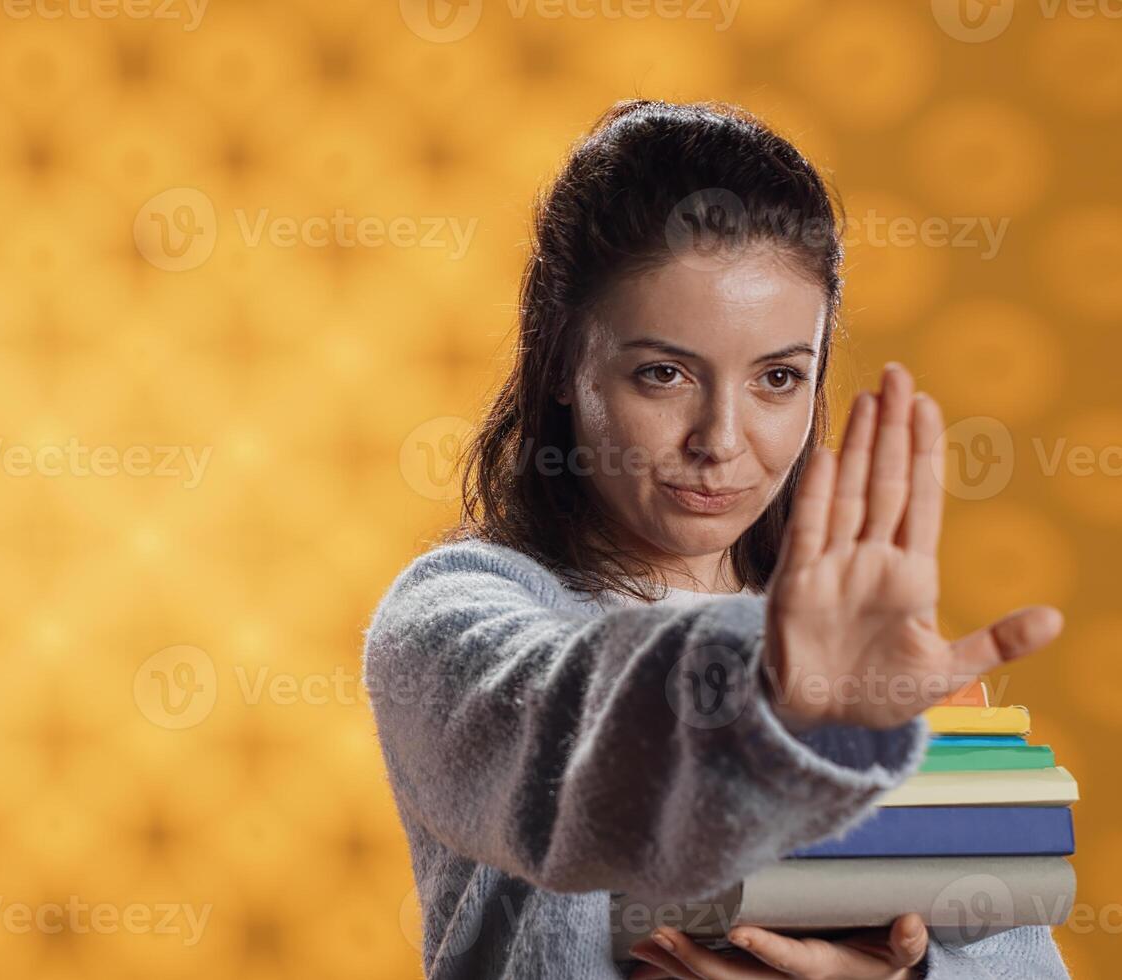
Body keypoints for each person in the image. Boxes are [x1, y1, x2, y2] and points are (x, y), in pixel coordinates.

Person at [362, 101, 1071, 979]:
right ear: (560, 367)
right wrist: (774, 690)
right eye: (662, 374)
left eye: (778, 378)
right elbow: (567, 740)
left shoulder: (859, 646)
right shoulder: (456, 617)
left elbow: (1011, 955)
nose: (721, 439)